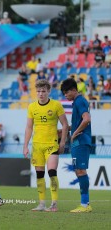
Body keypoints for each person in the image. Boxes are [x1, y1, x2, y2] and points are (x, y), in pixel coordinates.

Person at [23, 79, 68, 212]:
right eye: (38, 91)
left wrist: (63, 142)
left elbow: (65, 125)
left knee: (52, 172)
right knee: (39, 175)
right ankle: (41, 204)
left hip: (51, 144)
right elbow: (29, 127)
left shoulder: (56, 105)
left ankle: (54, 204)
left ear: (49, 91)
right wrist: (25, 145)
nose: (41, 94)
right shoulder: (32, 107)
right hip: (37, 145)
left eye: (43, 91)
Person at [61, 78, 92, 213]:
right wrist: (69, 129)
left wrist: (75, 133)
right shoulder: (77, 102)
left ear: (73, 90)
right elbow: (81, 121)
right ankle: (85, 203)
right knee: (78, 170)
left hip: (81, 141)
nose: (65, 95)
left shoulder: (80, 101)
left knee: (80, 170)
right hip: (78, 141)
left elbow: (87, 119)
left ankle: (85, 205)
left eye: (66, 92)